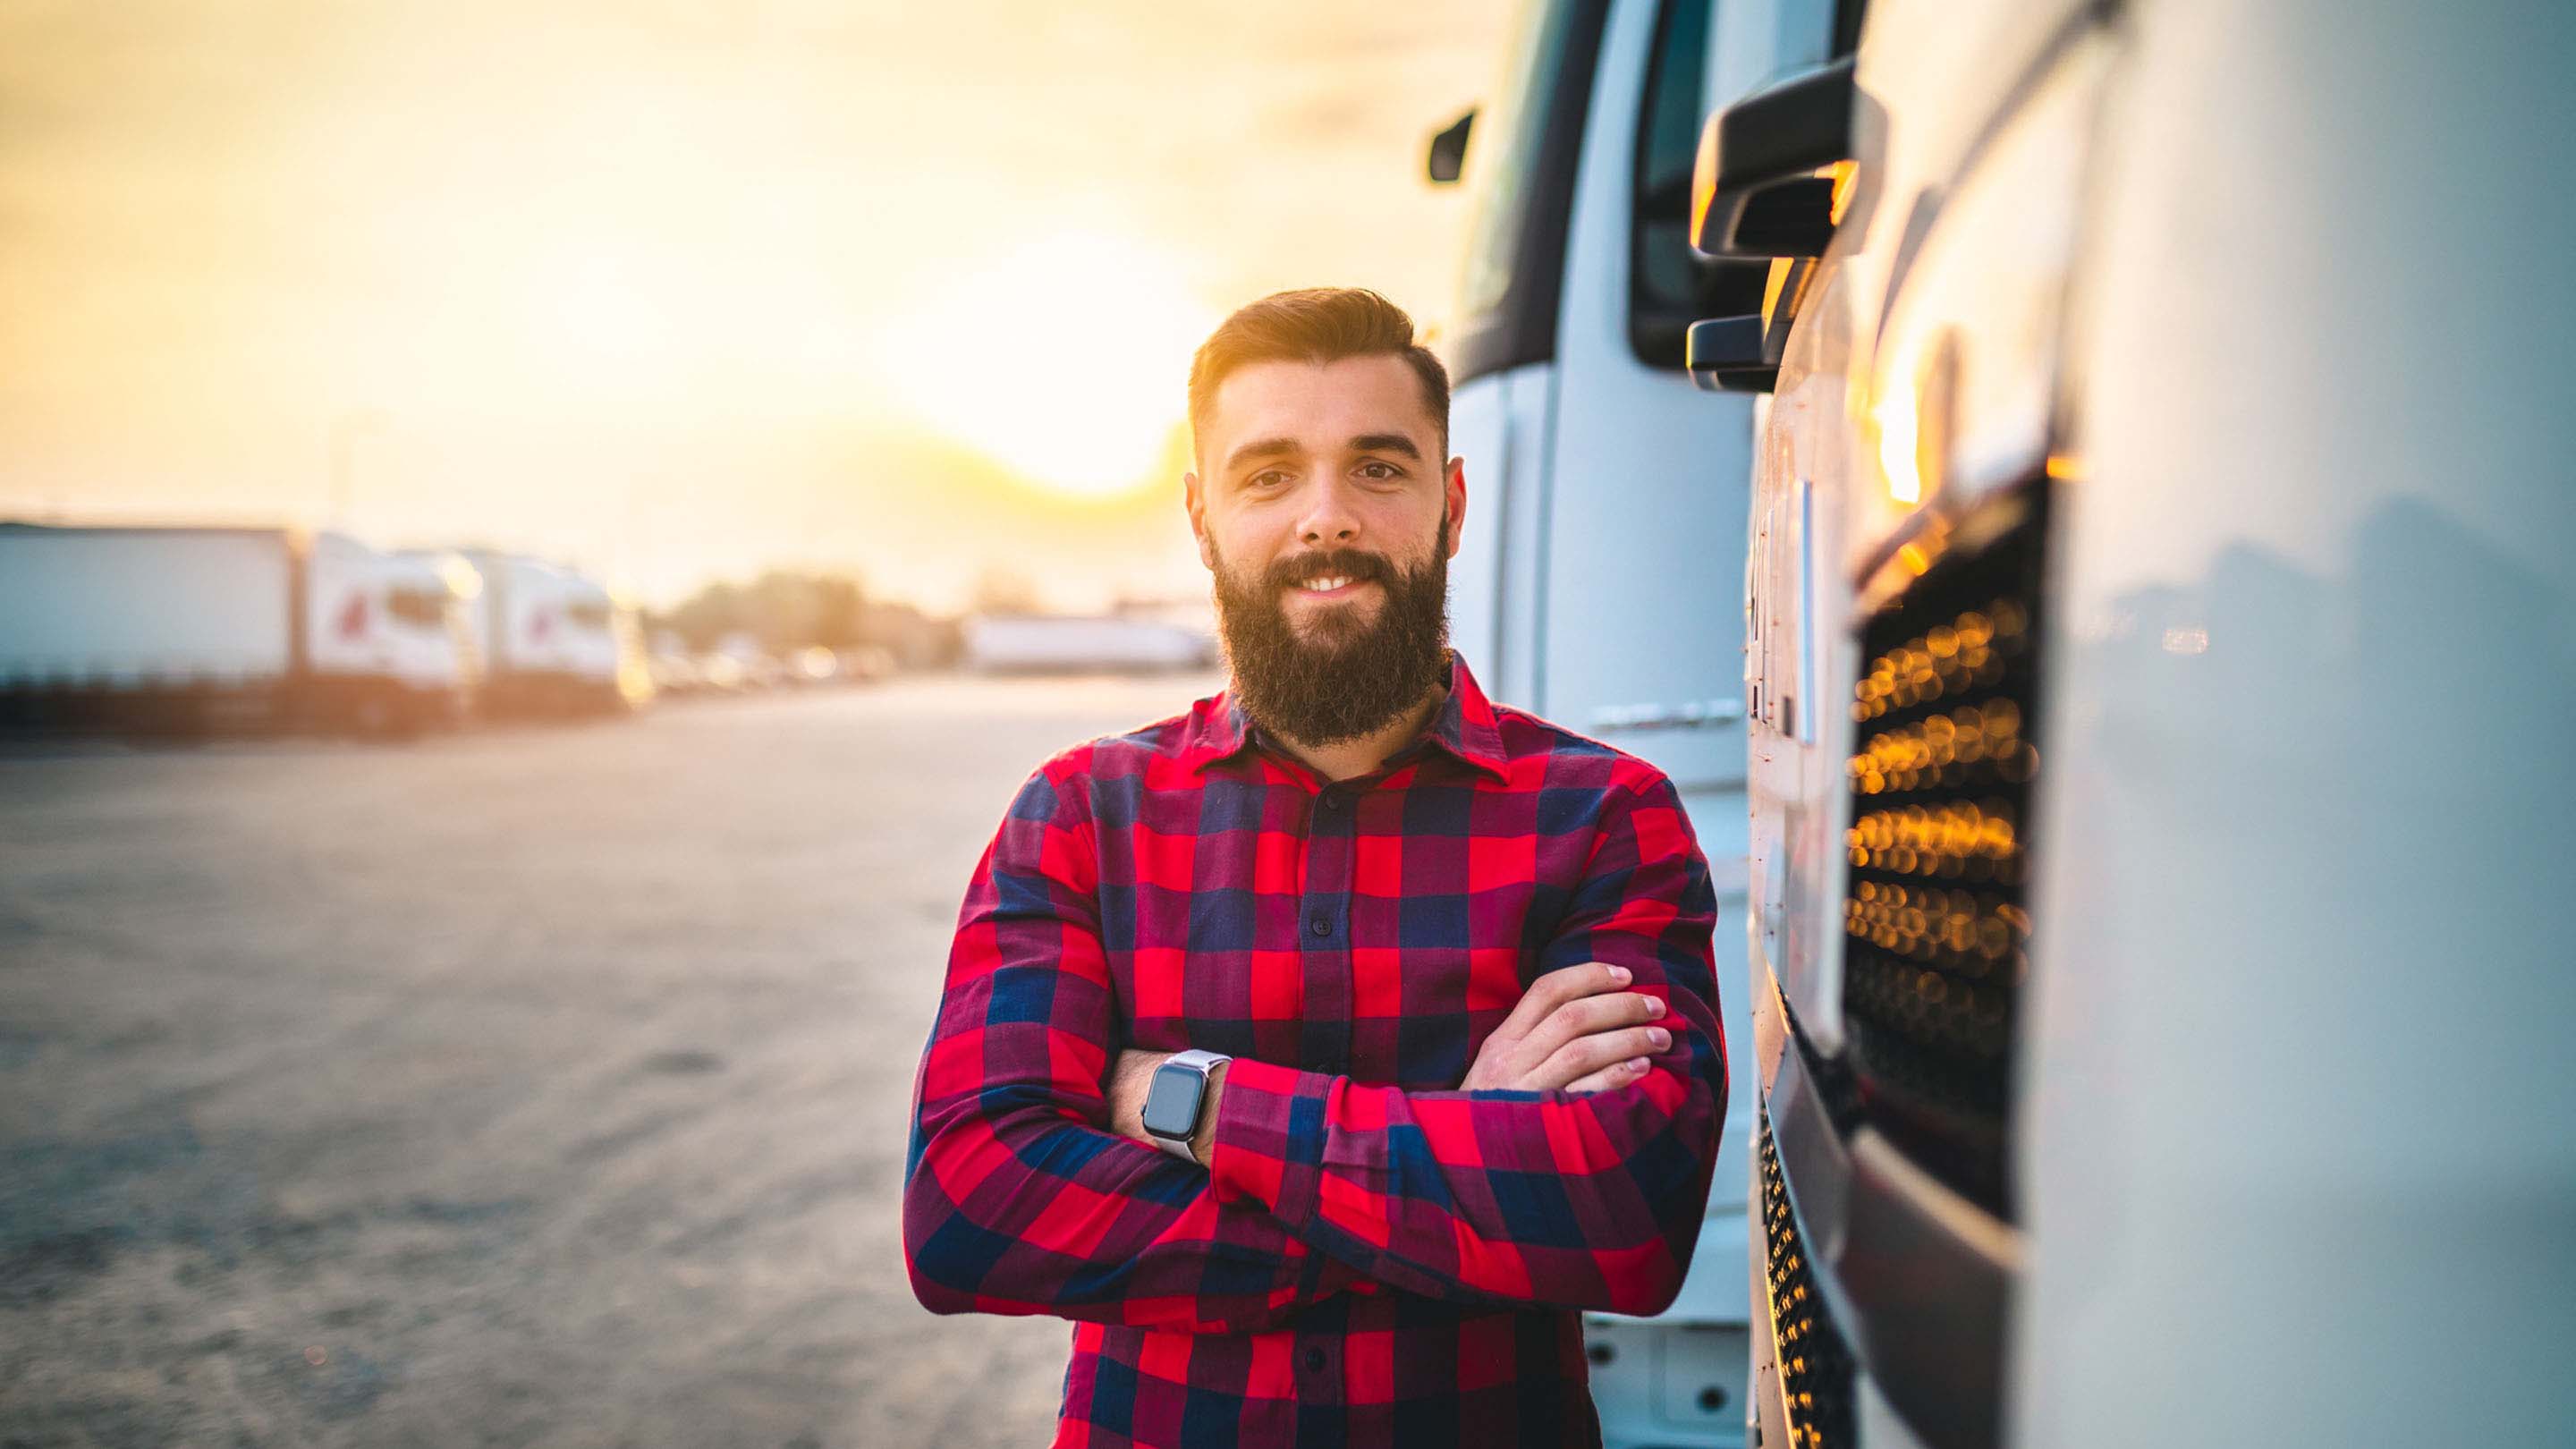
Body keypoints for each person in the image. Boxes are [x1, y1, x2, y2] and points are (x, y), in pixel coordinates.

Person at [903, 287, 1725, 1449]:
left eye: (1379, 470)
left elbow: (1625, 1219)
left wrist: (1193, 1104)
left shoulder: (1602, 819)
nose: (1326, 518)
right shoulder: (1083, 816)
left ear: (1451, 506)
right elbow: (971, 1208)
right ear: (1201, 517)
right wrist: (1462, 1155)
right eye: (1269, 474)